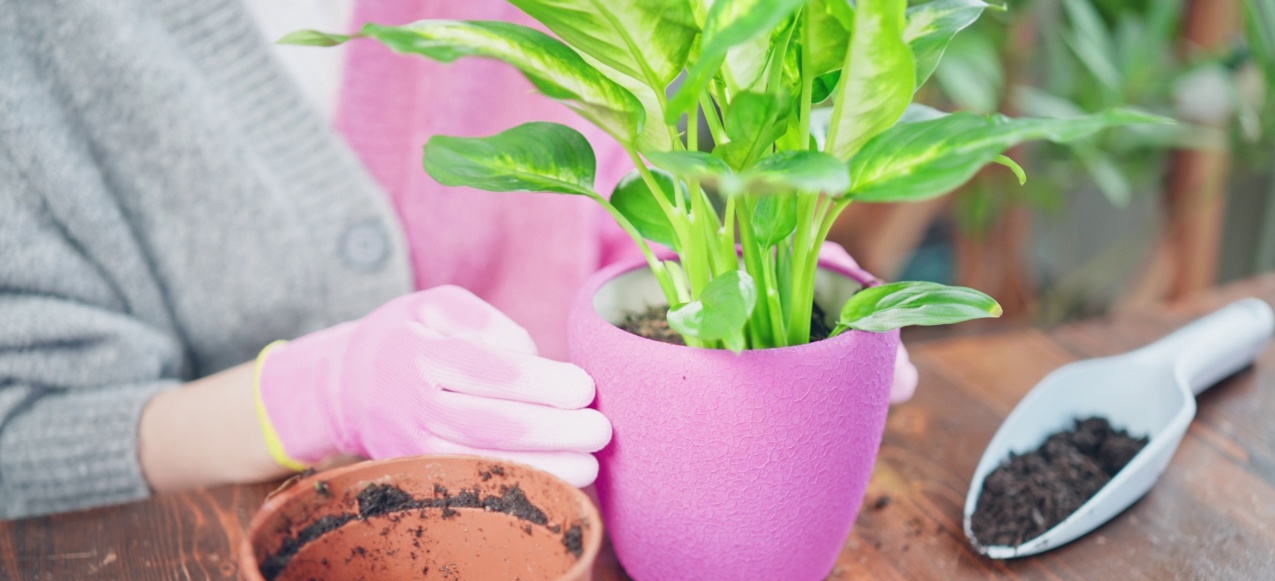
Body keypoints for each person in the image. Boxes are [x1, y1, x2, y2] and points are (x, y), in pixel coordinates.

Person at [0, 0, 915, 521]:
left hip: (578, 565)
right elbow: (21, 435)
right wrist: (312, 396)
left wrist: (741, 279)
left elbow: (614, 193)